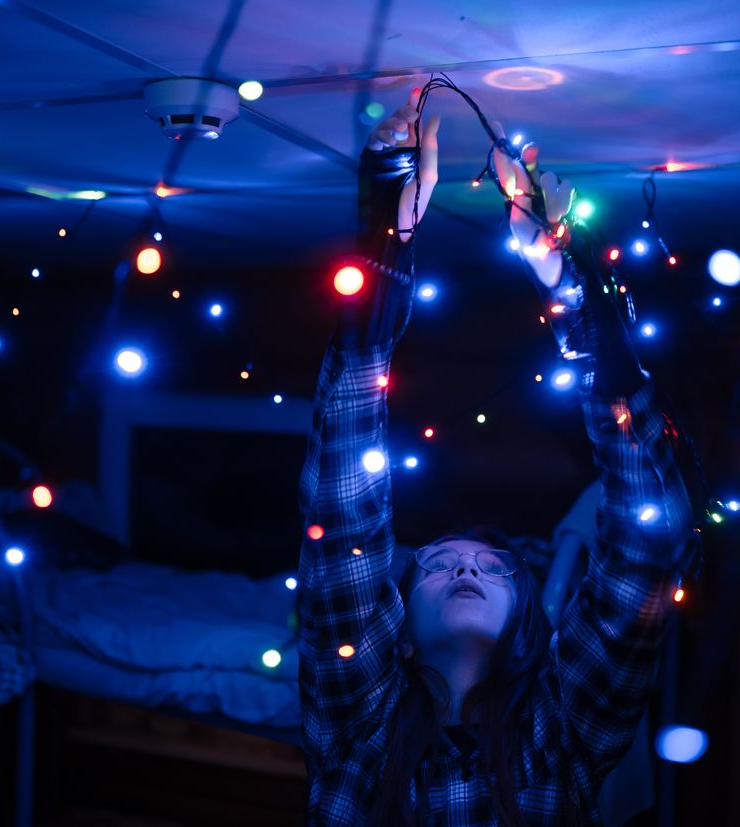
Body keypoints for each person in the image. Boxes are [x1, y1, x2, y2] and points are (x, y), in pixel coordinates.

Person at [298, 88, 699, 826]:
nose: (465, 570)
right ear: (397, 612)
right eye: (444, 563)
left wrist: (384, 237)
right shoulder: (358, 716)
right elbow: (653, 543)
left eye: (489, 567)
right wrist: (575, 302)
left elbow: (340, 484)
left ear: (527, 616)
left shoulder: (564, 723)